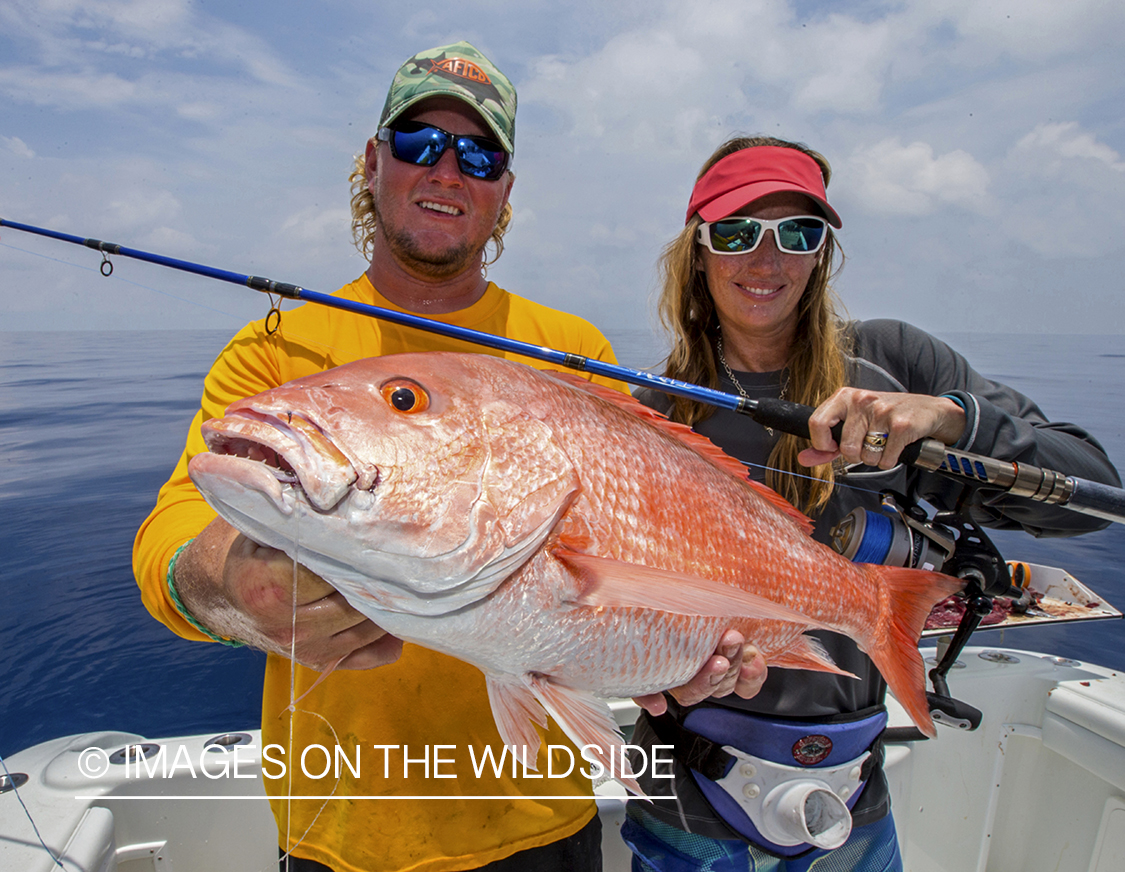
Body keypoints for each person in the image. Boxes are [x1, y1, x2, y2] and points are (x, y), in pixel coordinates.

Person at [133, 42, 761, 872]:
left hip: (544, 824)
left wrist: (686, 653)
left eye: (479, 155)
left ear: (503, 193)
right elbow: (169, 548)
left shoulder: (570, 351)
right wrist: (226, 583)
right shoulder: (275, 354)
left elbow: (640, 553)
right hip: (344, 832)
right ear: (372, 161)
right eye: (418, 143)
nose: (447, 170)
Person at [622, 135, 1122, 872]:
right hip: (687, 809)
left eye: (798, 233)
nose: (766, 260)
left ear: (821, 253)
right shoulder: (654, 414)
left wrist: (952, 420)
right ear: (697, 252)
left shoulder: (896, 365)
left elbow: (1086, 502)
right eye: (734, 233)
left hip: (853, 795)